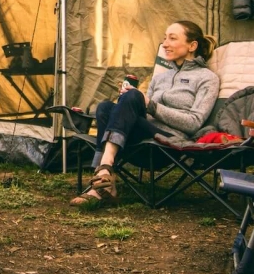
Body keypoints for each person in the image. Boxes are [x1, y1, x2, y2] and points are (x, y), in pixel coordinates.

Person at [70, 20, 220, 206]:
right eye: (165, 38)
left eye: (172, 38)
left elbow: (194, 122)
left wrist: (150, 105)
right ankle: (105, 175)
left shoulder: (207, 78)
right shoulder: (160, 78)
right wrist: (128, 102)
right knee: (105, 107)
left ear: (192, 45)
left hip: (169, 143)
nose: (165, 44)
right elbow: (143, 112)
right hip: (141, 140)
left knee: (133, 97)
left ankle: (102, 175)